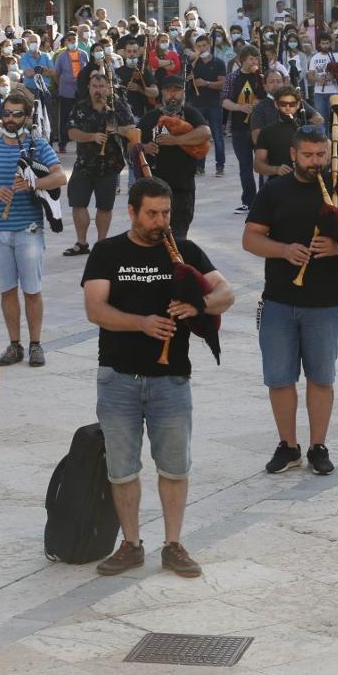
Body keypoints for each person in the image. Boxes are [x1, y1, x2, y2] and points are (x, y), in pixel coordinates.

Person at [81, 177, 233, 577]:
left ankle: (174, 543)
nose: (160, 221)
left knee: (174, 467)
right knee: (123, 469)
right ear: (131, 212)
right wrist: (141, 324)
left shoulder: (183, 251)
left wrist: (197, 306)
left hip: (170, 379)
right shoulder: (107, 252)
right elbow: (95, 310)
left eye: (165, 213)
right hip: (118, 377)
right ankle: (130, 544)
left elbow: (226, 294)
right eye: (152, 214)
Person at [242, 126, 338, 475]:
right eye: (308, 155)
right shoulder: (274, 191)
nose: (315, 162)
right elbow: (250, 239)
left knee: (321, 377)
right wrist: (283, 250)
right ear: (293, 154)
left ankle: (318, 445)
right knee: (279, 378)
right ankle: (288, 446)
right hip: (278, 300)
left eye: (321, 154)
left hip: (325, 302)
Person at [0, 90, 66, 367]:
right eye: (7, 113)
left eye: (17, 114)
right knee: (7, 290)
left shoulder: (38, 146)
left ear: (27, 116)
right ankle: (14, 345)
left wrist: (35, 184)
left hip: (29, 228)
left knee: (32, 290)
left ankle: (35, 344)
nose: (10, 119)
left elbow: (60, 177)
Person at [64, 73, 134, 256]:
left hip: (109, 165)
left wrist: (116, 130)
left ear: (107, 88)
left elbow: (132, 129)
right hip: (84, 163)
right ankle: (81, 242)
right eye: (94, 86)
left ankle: (102, 244)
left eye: (101, 86)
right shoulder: (81, 106)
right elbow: (72, 132)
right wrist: (91, 137)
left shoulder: (117, 106)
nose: (98, 90)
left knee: (105, 207)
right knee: (78, 204)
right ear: (89, 87)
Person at [138, 76, 211, 237]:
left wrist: (175, 140)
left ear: (183, 93)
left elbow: (205, 133)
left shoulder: (190, 113)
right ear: (162, 93)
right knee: (153, 235)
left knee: (178, 236)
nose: (173, 95)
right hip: (154, 187)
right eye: (169, 91)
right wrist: (144, 147)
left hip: (182, 187)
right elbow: (131, 143)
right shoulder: (150, 117)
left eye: (177, 91)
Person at [222, 47, 265, 213]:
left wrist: (259, 102)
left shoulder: (261, 77)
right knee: (245, 165)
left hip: (260, 127)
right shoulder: (233, 77)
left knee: (262, 163)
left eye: (256, 59)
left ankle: (264, 199)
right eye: (251, 59)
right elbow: (224, 101)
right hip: (240, 128)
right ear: (242, 60)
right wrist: (240, 107)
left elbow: (269, 96)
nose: (254, 62)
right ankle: (249, 201)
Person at [187, 33, 227, 177]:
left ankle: (220, 166)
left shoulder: (218, 63)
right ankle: (199, 166)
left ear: (209, 46)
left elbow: (222, 84)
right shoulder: (193, 64)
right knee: (200, 136)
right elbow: (184, 81)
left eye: (204, 45)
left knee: (217, 136)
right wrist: (188, 78)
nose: (202, 48)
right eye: (199, 46)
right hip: (197, 105)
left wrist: (206, 83)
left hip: (214, 104)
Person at [52, 32, 89, 151]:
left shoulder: (83, 54)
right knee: (65, 118)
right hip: (66, 92)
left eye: (74, 39)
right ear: (66, 42)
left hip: (81, 92)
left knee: (82, 118)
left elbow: (88, 72)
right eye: (70, 40)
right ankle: (62, 144)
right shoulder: (61, 56)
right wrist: (61, 85)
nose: (73, 41)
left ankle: (82, 144)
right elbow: (56, 74)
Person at [307, 32, 338, 120]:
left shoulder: (337, 56)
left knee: (335, 119)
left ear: (330, 43)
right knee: (321, 119)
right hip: (319, 93)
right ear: (319, 44)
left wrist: (334, 76)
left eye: (327, 43)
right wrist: (318, 80)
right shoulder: (315, 57)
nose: (325, 46)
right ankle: (323, 134)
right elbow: (310, 75)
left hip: (335, 91)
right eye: (323, 43)